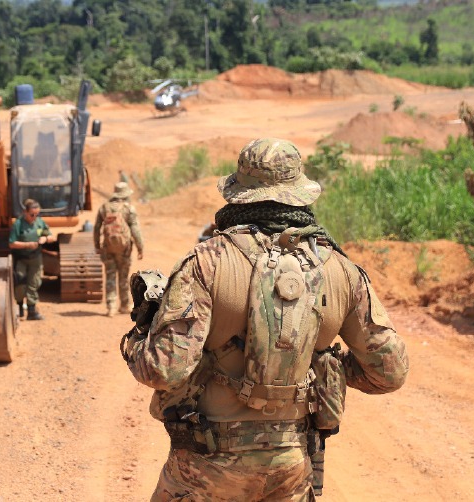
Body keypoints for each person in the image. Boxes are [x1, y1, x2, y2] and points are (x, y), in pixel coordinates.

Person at [123, 138, 409, 501]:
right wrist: (317, 361)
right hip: (291, 466)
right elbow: (389, 372)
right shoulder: (341, 269)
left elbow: (163, 370)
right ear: (300, 194)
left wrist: (138, 339)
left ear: (239, 193)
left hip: (205, 465)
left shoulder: (206, 262)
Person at [94, 181, 145, 317]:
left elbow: (97, 228)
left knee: (110, 276)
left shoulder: (104, 208)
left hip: (108, 248)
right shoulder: (129, 209)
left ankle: (111, 306)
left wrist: (97, 246)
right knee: (123, 277)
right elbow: (135, 230)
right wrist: (141, 248)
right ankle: (124, 305)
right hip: (124, 249)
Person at [9, 199, 56, 320]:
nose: (34, 217)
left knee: (34, 283)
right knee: (20, 283)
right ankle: (19, 309)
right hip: (21, 258)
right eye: (32, 214)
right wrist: (27, 245)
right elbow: (12, 243)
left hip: (35, 258)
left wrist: (45, 239)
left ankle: (31, 311)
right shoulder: (18, 224)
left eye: (37, 214)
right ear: (25, 212)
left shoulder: (40, 223)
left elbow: (50, 236)